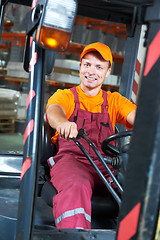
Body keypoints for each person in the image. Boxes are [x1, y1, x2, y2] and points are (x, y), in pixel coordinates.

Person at [46, 42, 137, 229]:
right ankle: (74, 233)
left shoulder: (114, 101)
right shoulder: (66, 96)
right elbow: (53, 111)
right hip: (72, 162)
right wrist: (62, 122)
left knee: (138, 187)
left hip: (106, 165)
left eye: (99, 67)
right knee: (77, 184)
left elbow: (139, 117)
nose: (91, 71)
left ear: (107, 71)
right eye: (87, 65)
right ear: (80, 66)